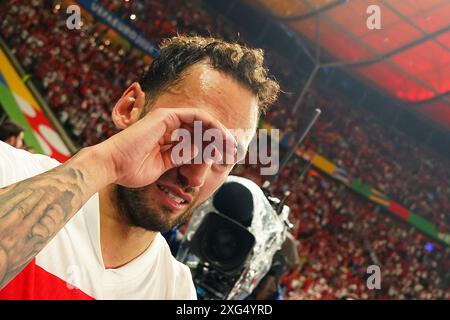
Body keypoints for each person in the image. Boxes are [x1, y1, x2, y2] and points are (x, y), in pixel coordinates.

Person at [0, 35, 280, 299]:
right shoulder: (10, 171)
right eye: (186, 135)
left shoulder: (176, 291)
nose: (196, 176)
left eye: (223, 157)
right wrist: (106, 162)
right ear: (129, 107)